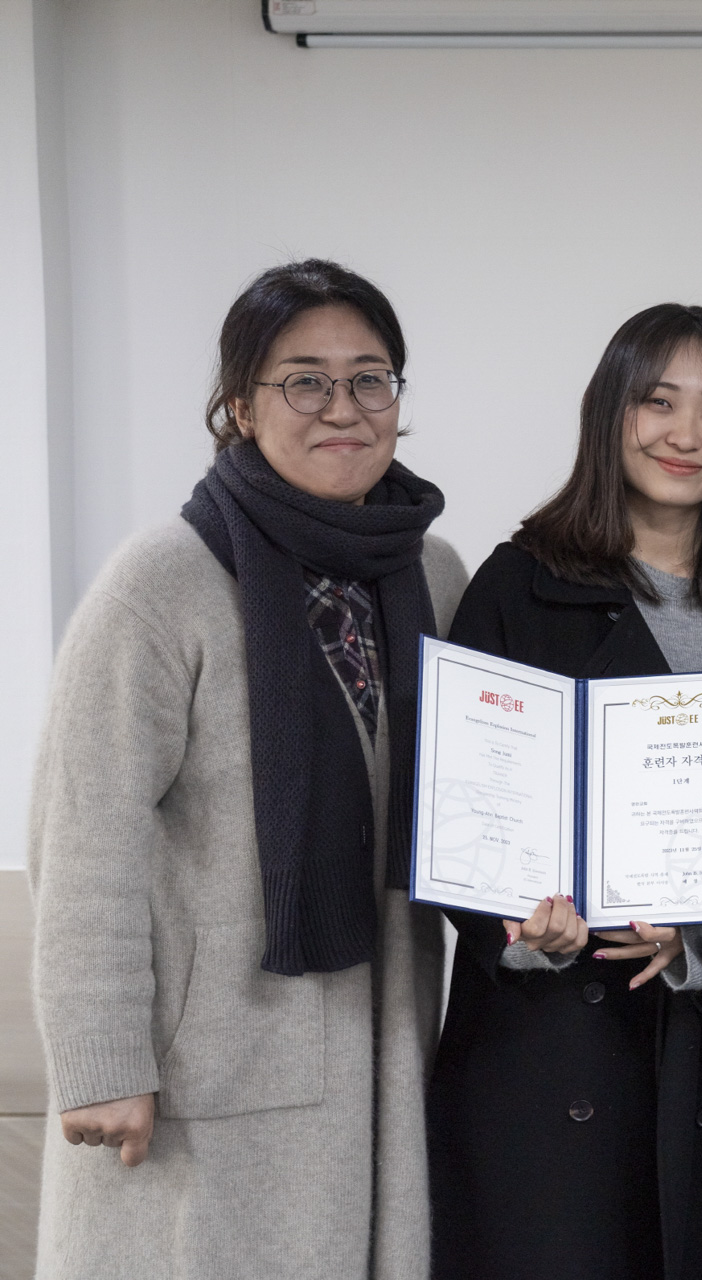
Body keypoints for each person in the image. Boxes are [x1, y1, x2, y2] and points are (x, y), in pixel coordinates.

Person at [28, 259, 466, 1279]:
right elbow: (84, 838)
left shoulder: (432, 573)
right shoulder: (161, 583)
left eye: (369, 379)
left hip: (381, 1041)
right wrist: (102, 1062)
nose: (343, 408)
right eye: (304, 380)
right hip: (206, 1068)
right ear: (238, 404)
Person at [427, 304, 702, 1280]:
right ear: (609, 413)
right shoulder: (516, 585)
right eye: (657, 401)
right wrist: (517, 924)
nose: (686, 434)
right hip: (551, 1051)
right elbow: (460, 801)